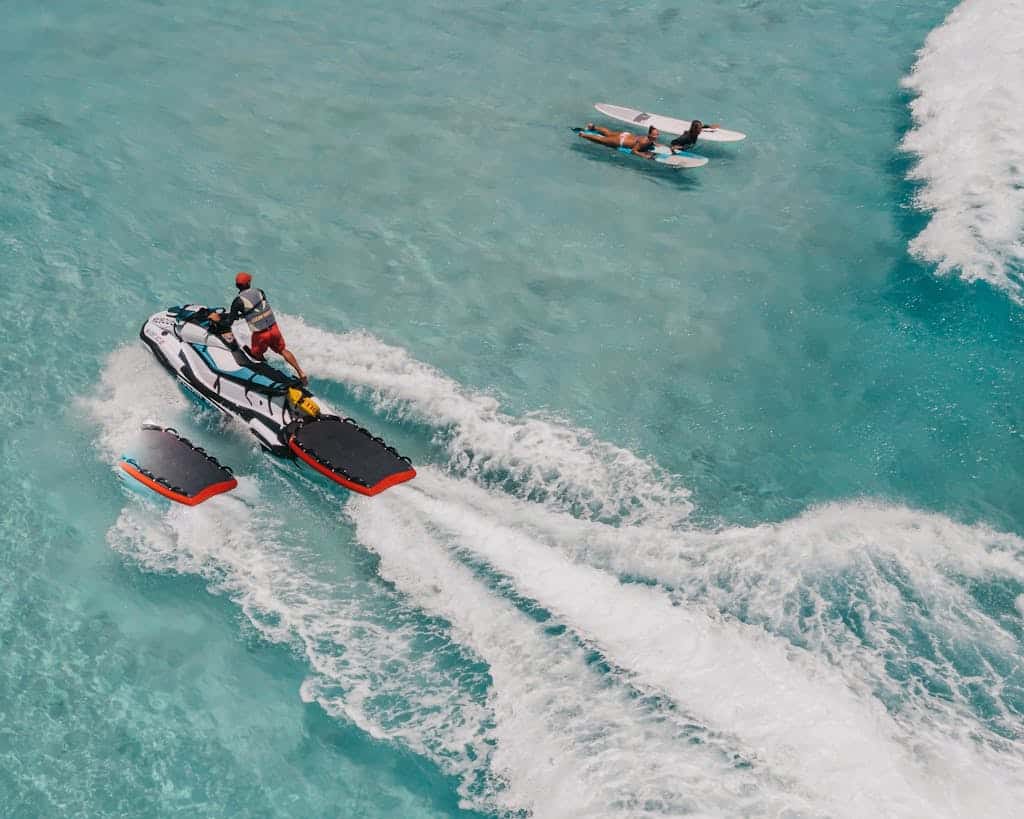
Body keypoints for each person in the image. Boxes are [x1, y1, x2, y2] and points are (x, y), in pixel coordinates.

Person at [209, 272, 308, 385]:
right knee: (283, 350)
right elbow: (256, 308)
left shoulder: (238, 301)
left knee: (255, 356)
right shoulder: (260, 292)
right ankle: (301, 373)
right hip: (273, 328)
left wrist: (216, 319)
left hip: (260, 335)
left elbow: (229, 322)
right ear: (249, 283)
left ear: (237, 285)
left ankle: (269, 374)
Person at [579, 123, 660, 158]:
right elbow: (633, 151)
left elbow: (651, 141)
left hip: (626, 134)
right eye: (654, 135)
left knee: (609, 132)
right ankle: (583, 134)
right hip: (620, 141)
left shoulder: (648, 139)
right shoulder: (644, 142)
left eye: (657, 135)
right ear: (649, 135)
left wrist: (655, 143)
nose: (656, 136)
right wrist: (643, 155)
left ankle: (593, 127)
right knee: (602, 140)